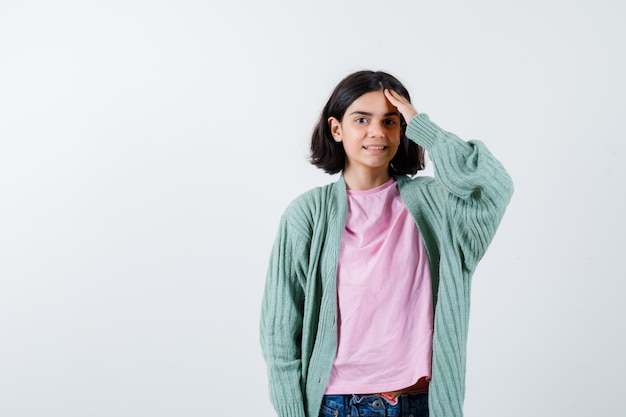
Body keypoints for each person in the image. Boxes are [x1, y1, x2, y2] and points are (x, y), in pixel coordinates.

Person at [260, 70, 513, 417]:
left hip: (420, 402)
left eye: (390, 121)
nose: (377, 132)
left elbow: (491, 187)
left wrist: (425, 127)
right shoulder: (307, 215)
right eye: (361, 119)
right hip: (335, 404)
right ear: (337, 129)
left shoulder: (435, 206)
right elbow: (280, 333)